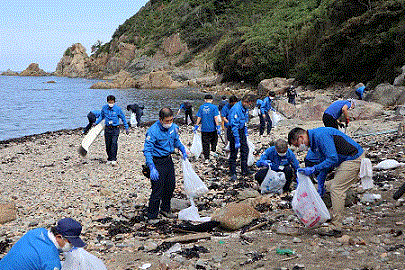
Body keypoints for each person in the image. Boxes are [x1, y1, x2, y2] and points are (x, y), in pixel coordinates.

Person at [288, 127, 365, 233]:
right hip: (344, 160)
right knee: (328, 187)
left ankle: (336, 225)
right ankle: (329, 216)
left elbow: (332, 158)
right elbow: (326, 163)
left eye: (297, 144)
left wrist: (315, 168)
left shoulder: (320, 136)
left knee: (336, 189)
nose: (299, 147)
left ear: (301, 137)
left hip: (354, 158)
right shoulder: (314, 143)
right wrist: (320, 183)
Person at [143, 108, 188, 224]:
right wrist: (151, 166)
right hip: (157, 162)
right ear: (160, 119)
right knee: (157, 189)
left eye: (171, 120)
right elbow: (147, 150)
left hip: (168, 160)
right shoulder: (153, 131)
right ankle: (152, 215)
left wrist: (182, 148)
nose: (169, 123)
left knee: (170, 185)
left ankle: (165, 209)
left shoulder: (173, 127)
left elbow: (176, 140)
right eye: (167, 121)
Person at [0, 217, 86, 270]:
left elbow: (41, 251)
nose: (72, 245)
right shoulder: (52, 262)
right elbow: (48, 257)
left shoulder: (38, 232)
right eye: (70, 242)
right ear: (59, 237)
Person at [228, 94, 256, 181]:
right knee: (234, 152)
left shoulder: (245, 108)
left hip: (241, 129)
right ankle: (233, 172)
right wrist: (236, 139)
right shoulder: (236, 109)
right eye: (248, 103)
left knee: (245, 150)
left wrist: (245, 131)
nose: (249, 105)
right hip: (233, 131)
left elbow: (244, 120)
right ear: (244, 101)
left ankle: (244, 170)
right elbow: (234, 125)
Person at [94, 95, 129, 166]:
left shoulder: (118, 109)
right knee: (108, 144)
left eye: (112, 102)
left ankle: (114, 159)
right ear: (107, 102)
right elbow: (101, 116)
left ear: (114, 102)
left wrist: (126, 127)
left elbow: (123, 118)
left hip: (115, 129)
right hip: (107, 128)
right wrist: (96, 123)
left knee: (114, 143)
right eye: (109, 102)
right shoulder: (104, 108)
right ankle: (109, 158)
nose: (111, 103)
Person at [193, 94, 221, 161]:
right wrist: (218, 126)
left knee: (205, 143)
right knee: (214, 140)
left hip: (204, 129)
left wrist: (196, 125)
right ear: (212, 100)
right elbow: (215, 117)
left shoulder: (201, 107)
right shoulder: (214, 107)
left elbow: (199, 117)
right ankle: (213, 151)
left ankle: (207, 158)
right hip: (213, 128)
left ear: (205, 100)